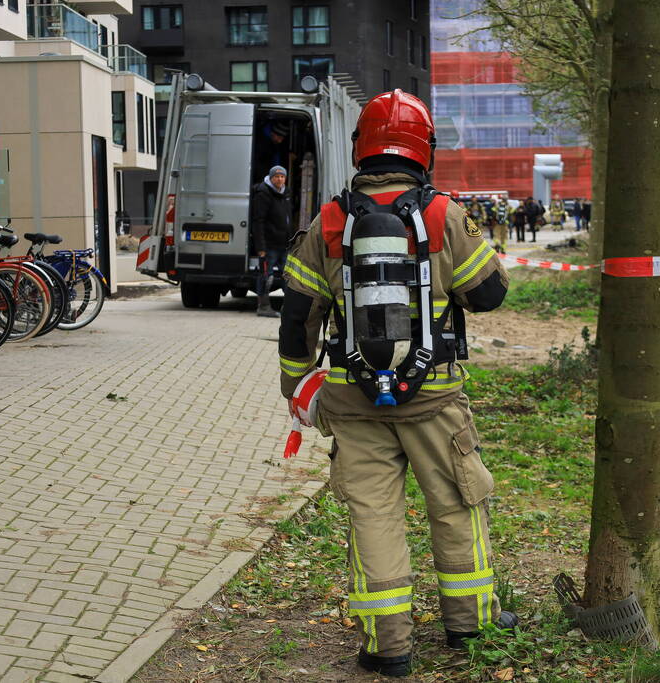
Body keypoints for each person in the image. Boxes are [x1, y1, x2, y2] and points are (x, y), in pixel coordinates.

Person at [278, 89, 516, 678]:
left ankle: (389, 645)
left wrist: (295, 387)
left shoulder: (328, 219)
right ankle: (472, 623)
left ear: (361, 148)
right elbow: (488, 294)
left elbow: (297, 315)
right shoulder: (441, 213)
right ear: (424, 149)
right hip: (434, 397)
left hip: (351, 399)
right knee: (458, 504)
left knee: (372, 517)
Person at [251, 165, 292, 317]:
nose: (280, 179)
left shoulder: (285, 193)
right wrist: (261, 247)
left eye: (282, 177)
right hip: (269, 245)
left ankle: (288, 308)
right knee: (265, 276)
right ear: (271, 177)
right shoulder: (263, 193)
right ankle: (263, 307)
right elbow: (258, 222)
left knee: (288, 276)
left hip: (284, 244)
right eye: (277, 176)